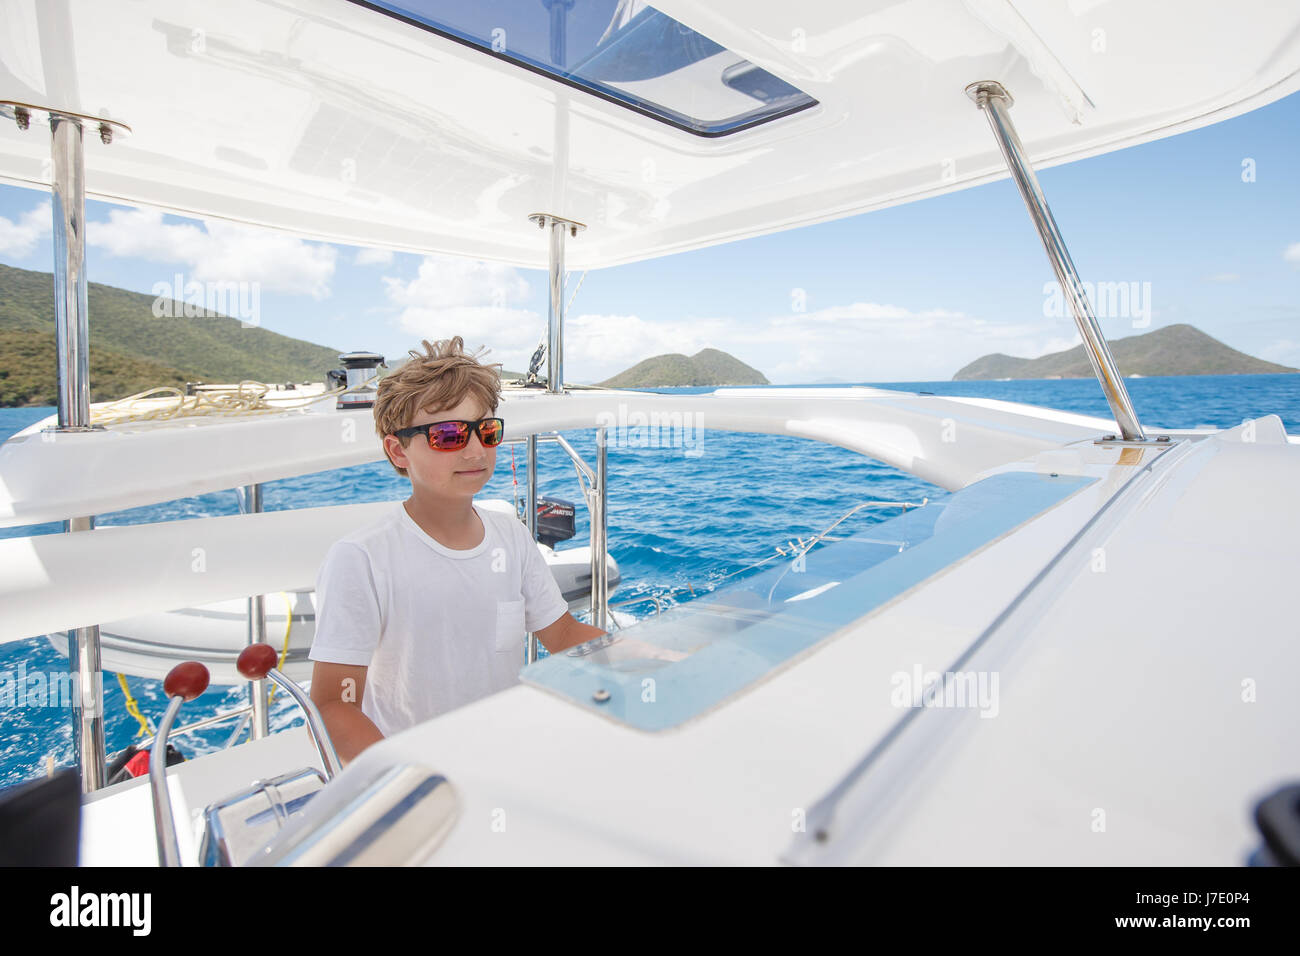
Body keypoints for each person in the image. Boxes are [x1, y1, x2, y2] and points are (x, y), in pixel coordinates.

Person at [307, 336, 606, 764]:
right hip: (416, 772)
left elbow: (563, 635)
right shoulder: (361, 558)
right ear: (398, 450)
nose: (474, 450)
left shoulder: (511, 535)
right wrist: (404, 786)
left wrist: (640, 658)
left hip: (506, 754)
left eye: (485, 431)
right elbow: (335, 704)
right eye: (447, 435)